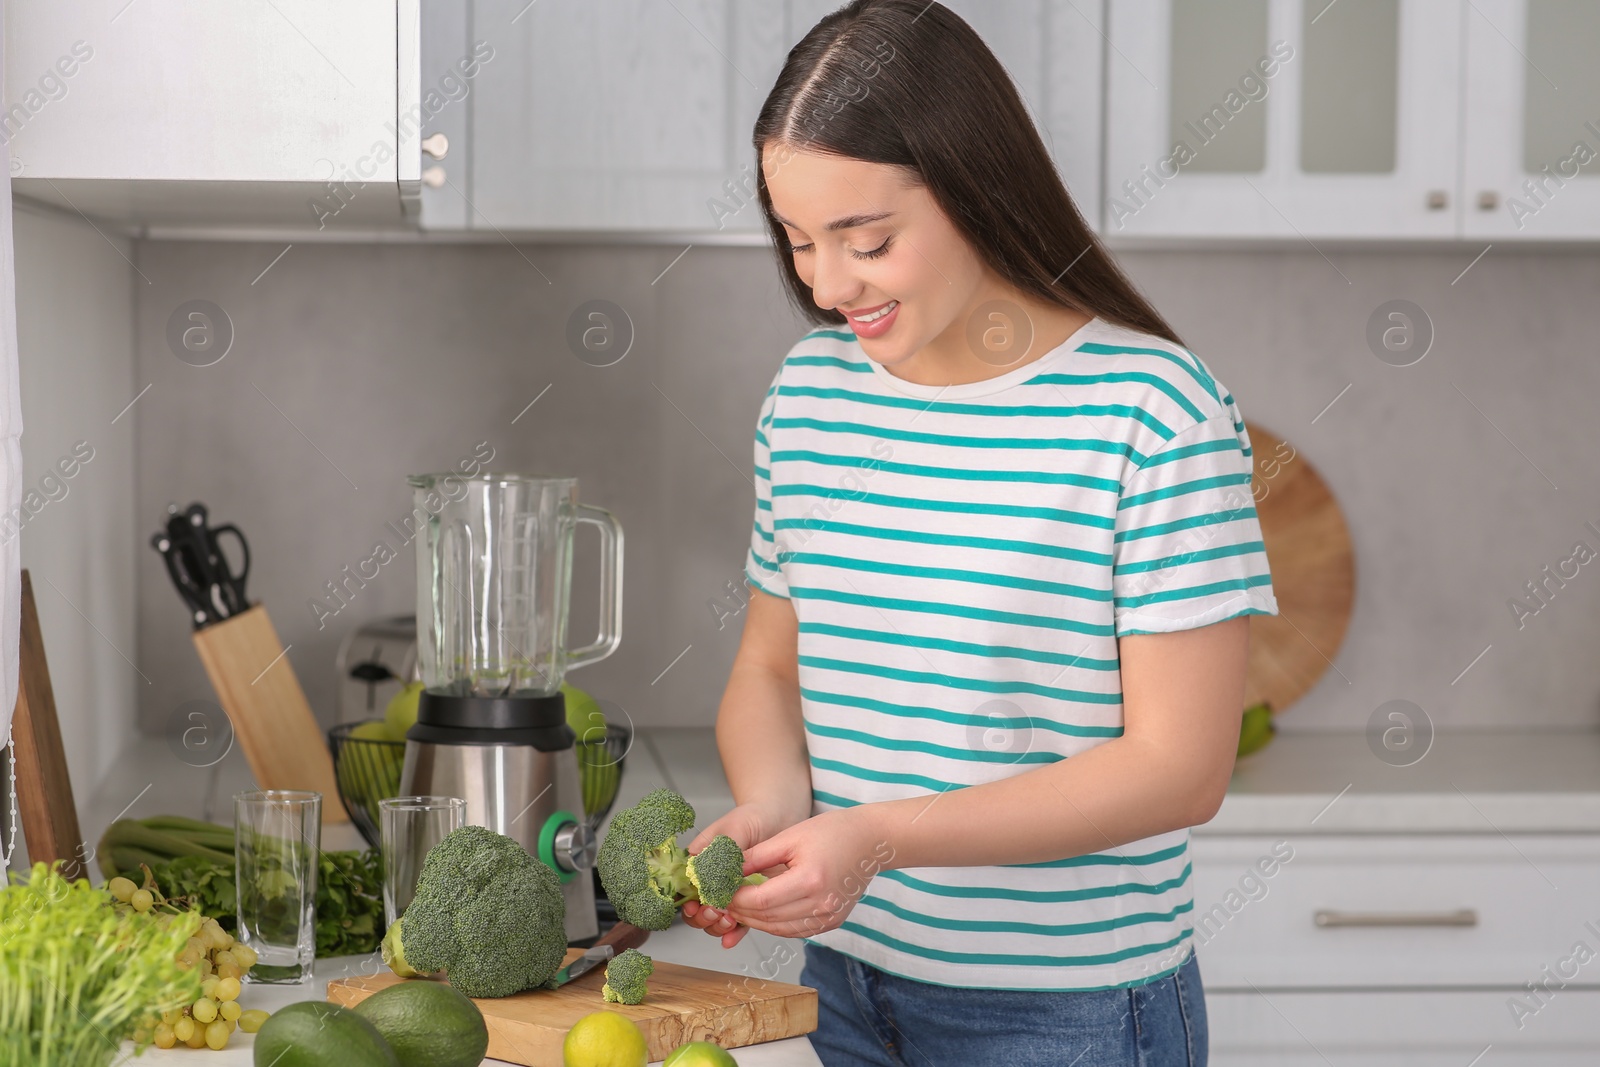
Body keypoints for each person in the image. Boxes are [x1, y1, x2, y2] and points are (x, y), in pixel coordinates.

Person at [680, 3, 1278, 1063]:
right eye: (797, 239)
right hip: (854, 983)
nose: (825, 284)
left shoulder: (1149, 410)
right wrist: (771, 811)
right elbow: (770, 672)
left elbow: (1180, 768)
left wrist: (876, 835)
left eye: (867, 242)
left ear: (974, 187)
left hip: (1070, 1012)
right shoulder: (812, 395)